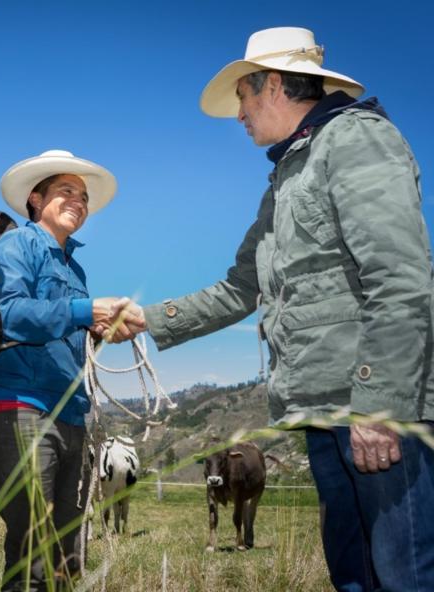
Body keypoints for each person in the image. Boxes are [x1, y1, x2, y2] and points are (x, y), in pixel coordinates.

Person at [117, 27, 434, 591]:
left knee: (403, 572)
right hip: (322, 406)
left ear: (275, 85)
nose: (238, 112)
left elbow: (401, 278)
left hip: (372, 408)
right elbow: (241, 287)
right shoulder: (285, 181)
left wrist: (381, 404)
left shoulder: (357, 140)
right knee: (354, 571)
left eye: (243, 95)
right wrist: (148, 319)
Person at [0, 150, 127, 591]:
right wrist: (84, 310)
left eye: (83, 196)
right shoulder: (14, 246)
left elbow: (63, 322)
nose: (78, 201)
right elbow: (5, 313)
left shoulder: (74, 267)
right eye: (66, 191)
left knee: (68, 552)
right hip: (23, 410)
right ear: (35, 199)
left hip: (70, 416)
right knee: (32, 553)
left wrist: (97, 329)